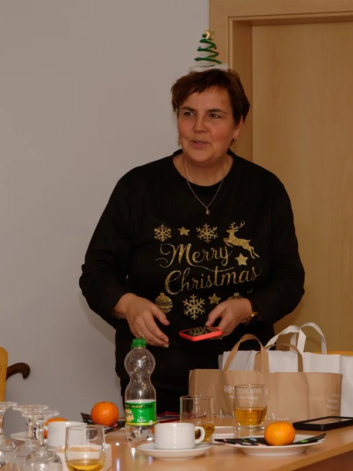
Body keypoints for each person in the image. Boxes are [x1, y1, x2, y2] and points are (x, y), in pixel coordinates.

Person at [80, 63, 305, 413]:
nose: (199, 127)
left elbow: (290, 280)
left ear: (237, 126)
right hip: (156, 378)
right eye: (188, 114)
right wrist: (129, 304)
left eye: (214, 115)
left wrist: (247, 308)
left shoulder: (265, 190)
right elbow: (96, 273)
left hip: (243, 377)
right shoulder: (138, 188)